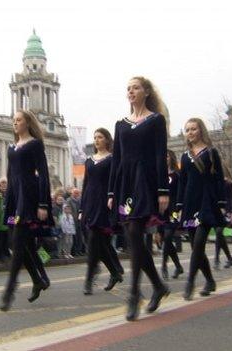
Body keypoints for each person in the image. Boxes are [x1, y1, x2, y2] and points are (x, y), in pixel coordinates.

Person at [108, 76, 170, 321]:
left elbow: (159, 155)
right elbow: (117, 160)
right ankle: (158, 285)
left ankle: (134, 295)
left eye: (135, 87)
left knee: (134, 233)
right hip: (125, 183)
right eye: (128, 88)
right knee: (134, 238)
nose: (131, 91)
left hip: (146, 181)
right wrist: (112, 192)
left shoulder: (156, 120)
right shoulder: (120, 124)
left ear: (146, 92)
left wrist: (163, 190)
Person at [0, 110, 54, 311]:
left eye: (18, 120)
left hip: (28, 196)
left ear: (27, 123)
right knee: (18, 244)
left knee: (19, 242)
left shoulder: (35, 144)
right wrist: (7, 200)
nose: (15, 123)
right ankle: (38, 280)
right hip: (15, 198)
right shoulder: (11, 147)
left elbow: (44, 175)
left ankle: (9, 291)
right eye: (13, 120)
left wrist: (43, 204)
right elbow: (9, 174)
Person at [176, 118, 225, 300]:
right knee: (196, 246)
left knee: (198, 243)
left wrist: (221, 203)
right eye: (187, 129)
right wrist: (179, 205)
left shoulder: (211, 153)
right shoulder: (184, 156)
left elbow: (219, 178)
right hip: (190, 203)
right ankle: (210, 281)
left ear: (200, 130)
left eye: (193, 129)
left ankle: (190, 281)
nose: (190, 132)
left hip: (207, 202)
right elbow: (182, 182)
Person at [80, 128, 124, 295]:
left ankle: (89, 281)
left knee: (94, 242)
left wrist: (113, 199)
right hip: (90, 204)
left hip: (105, 204)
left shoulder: (112, 159)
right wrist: (82, 208)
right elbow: (85, 185)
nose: (97, 140)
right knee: (99, 244)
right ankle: (114, 271)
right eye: (95, 137)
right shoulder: (89, 161)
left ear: (107, 140)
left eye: (100, 137)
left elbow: (116, 182)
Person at [159, 150, 184, 280]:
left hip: (173, 209)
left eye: (167, 156)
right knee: (165, 239)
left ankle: (163, 266)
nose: (165, 158)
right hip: (161, 210)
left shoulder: (177, 174)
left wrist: (180, 208)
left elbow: (181, 192)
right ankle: (178, 266)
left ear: (171, 158)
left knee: (168, 237)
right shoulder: (159, 174)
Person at [215, 176, 232, 269]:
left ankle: (216, 259)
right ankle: (229, 258)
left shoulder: (228, 183)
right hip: (215, 210)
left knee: (219, 232)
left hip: (226, 211)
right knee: (220, 236)